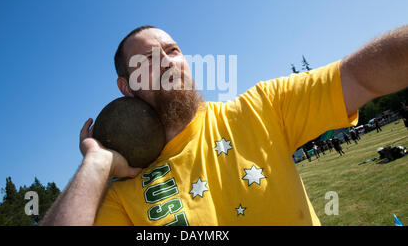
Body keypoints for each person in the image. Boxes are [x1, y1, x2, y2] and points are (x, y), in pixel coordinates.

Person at [41, 24, 408, 226]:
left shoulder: (261, 109)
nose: (168, 61)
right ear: (127, 87)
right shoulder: (123, 196)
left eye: (172, 50)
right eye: (150, 59)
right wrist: (96, 163)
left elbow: (363, 75)